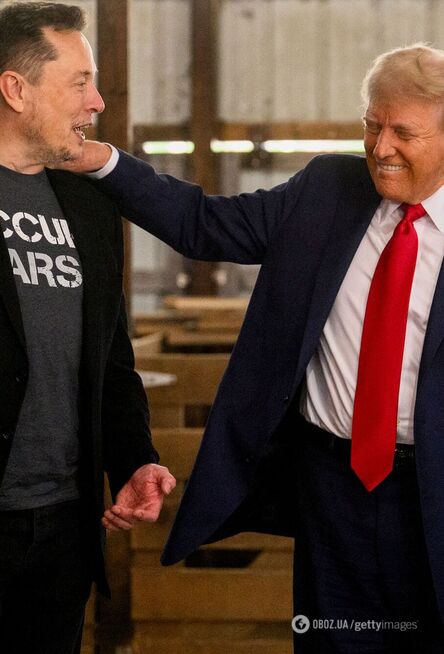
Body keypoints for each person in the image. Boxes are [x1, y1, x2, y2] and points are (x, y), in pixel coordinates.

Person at [61, 43, 444, 653]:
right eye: (372, 125)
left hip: (432, 490)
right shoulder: (328, 190)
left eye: (404, 133)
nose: (380, 147)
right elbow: (204, 225)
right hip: (331, 485)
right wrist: (103, 162)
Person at [0, 3, 176, 654]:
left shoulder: (90, 204)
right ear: (16, 89)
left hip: (64, 526)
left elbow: (112, 359)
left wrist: (135, 459)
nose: (96, 102)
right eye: (79, 82)